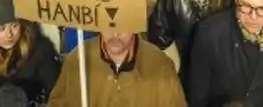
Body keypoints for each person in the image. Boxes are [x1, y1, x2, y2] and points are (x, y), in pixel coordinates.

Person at [47, 30, 186, 107]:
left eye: (122, 24)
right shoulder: (78, 59)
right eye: (109, 24)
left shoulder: (160, 66)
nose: (115, 33)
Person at [0, 0, 60, 105]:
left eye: (14, 26)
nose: (9, 35)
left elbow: (55, 93)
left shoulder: (40, 51)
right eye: (1, 29)